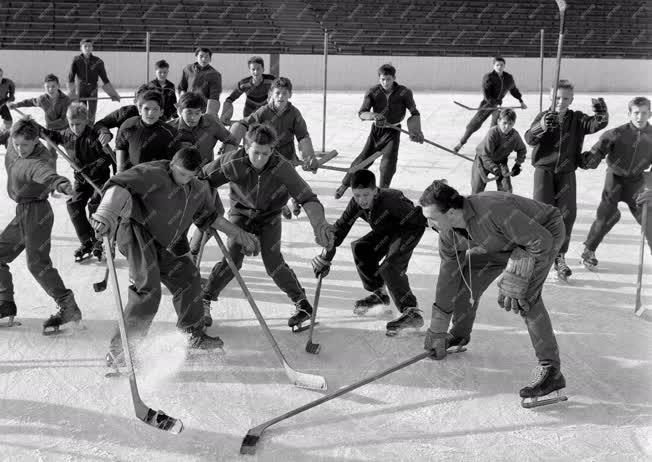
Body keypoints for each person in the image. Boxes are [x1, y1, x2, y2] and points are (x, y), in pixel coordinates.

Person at [90, 147, 260, 365]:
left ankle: (193, 335)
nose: (184, 179)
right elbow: (119, 185)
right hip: (136, 231)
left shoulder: (197, 188)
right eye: (181, 173)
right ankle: (121, 349)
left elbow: (209, 217)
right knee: (148, 290)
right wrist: (106, 213)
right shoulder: (154, 172)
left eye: (190, 176)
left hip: (164, 240)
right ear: (172, 165)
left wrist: (239, 234)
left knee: (189, 278)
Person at [419, 180, 566, 405]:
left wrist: (519, 274)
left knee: (525, 297)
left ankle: (551, 371)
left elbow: (541, 240)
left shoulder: (492, 211)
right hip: (499, 242)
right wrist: (437, 329)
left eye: (432, 218)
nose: (429, 224)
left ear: (450, 212)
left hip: (542, 235)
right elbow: (448, 277)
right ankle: (458, 333)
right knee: (465, 280)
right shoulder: (448, 234)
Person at [201, 123, 334, 330]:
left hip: (270, 216)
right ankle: (204, 299)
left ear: (273, 150)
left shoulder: (282, 167)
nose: (260, 159)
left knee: (273, 262)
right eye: (256, 153)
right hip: (240, 213)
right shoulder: (233, 161)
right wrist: (208, 212)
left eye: (266, 153)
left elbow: (307, 197)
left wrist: (319, 224)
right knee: (232, 258)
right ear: (246, 147)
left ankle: (302, 304)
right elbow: (202, 179)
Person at [311, 169, 427, 335]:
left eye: (366, 194)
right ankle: (380, 294)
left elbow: (421, 217)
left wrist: (452, 231)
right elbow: (339, 231)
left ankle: (411, 312)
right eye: (357, 195)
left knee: (389, 267)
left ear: (375, 190)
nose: (361, 200)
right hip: (386, 231)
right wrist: (325, 257)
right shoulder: (356, 204)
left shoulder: (392, 200)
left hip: (408, 231)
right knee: (361, 248)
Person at [0, 117, 83, 333]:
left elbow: (47, 174)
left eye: (25, 145)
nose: (20, 149)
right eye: (17, 144)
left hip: (37, 213)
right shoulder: (13, 142)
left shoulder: (38, 160)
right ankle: (4, 303)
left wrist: (61, 184)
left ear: (36, 141)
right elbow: (8, 138)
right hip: (23, 211)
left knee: (37, 263)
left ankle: (68, 306)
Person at [524, 79, 609, 281]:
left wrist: (601, 112)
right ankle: (538, 254)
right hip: (544, 171)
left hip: (566, 172)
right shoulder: (544, 116)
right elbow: (529, 139)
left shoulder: (577, 119)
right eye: (557, 98)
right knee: (542, 213)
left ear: (571, 100)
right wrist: (542, 126)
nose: (561, 102)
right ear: (551, 97)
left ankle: (560, 256)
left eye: (566, 98)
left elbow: (596, 124)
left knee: (566, 215)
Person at [229, 77, 319, 219]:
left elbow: (303, 136)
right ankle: (281, 205)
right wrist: (232, 141)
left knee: (289, 181)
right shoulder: (263, 111)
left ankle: (294, 200)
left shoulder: (294, 113)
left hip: (288, 154)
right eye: (277, 93)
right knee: (271, 184)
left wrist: (308, 157)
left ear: (290, 94)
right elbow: (244, 124)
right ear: (271, 94)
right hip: (268, 155)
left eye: (284, 93)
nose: (281, 96)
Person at [580, 96, 652, 268]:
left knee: (649, 218)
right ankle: (589, 250)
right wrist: (591, 159)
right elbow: (598, 151)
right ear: (629, 114)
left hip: (637, 182)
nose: (639, 117)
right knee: (606, 214)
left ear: (650, 113)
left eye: (644, 113)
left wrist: (650, 186)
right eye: (636, 113)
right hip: (615, 179)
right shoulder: (617, 133)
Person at [334, 63, 423, 200]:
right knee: (362, 160)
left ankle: (382, 192)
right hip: (377, 131)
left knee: (388, 163)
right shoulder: (373, 91)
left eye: (388, 79)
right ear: (378, 78)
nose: (385, 82)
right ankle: (345, 184)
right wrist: (373, 116)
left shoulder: (404, 92)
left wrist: (415, 130)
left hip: (393, 131)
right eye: (382, 79)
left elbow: (414, 112)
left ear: (394, 78)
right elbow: (362, 113)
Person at [169, 91, 239, 261]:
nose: (193, 117)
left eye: (197, 113)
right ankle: (177, 262)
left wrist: (225, 159)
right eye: (189, 112)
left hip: (206, 180)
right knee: (181, 225)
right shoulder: (169, 129)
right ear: (179, 109)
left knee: (215, 216)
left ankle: (193, 252)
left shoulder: (211, 122)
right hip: (180, 184)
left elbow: (231, 140)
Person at [43, 103, 114, 262]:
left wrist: (90, 168)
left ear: (86, 121)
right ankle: (87, 241)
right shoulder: (66, 135)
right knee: (73, 204)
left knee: (94, 205)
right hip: (81, 180)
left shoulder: (93, 137)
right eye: (71, 124)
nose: (74, 127)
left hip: (99, 180)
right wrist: (35, 127)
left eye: (78, 124)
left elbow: (107, 157)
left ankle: (99, 239)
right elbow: (48, 134)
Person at [453, 57, 526, 152]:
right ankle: (461, 143)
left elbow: (514, 90)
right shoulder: (488, 77)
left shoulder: (508, 78)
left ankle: (488, 147)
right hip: (487, 104)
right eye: (497, 65)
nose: (499, 67)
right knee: (474, 124)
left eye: (502, 65)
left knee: (494, 127)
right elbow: (487, 94)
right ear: (494, 66)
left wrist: (521, 101)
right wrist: (494, 104)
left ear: (504, 66)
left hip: (498, 106)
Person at [114, 90, 179, 172]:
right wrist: (120, 170)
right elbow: (120, 147)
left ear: (161, 112)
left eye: (155, 109)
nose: (150, 113)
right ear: (139, 110)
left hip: (158, 177)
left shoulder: (170, 133)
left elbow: (175, 163)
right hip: (131, 177)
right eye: (146, 109)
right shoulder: (129, 125)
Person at [471, 108, 527, 194]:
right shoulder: (492, 133)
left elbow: (522, 149)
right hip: (482, 160)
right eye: (504, 123)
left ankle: (504, 205)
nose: (507, 127)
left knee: (506, 190)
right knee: (477, 189)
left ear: (513, 124)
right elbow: (485, 155)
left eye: (510, 124)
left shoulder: (514, 136)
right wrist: (494, 168)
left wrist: (517, 165)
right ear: (498, 121)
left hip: (500, 161)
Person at [67, 39, 120, 124]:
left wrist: (113, 94)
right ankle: (82, 128)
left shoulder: (98, 61)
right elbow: (71, 77)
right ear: (81, 48)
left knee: (92, 113)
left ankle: (90, 129)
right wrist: (71, 93)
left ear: (92, 48)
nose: (87, 48)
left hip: (93, 89)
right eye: (85, 46)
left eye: (90, 46)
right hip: (81, 89)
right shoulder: (76, 60)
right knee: (81, 112)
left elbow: (104, 79)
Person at [220, 56, 275, 125]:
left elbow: (282, 90)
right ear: (250, 70)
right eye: (253, 69)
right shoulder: (244, 84)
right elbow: (229, 99)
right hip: (249, 115)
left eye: (258, 69)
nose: (256, 72)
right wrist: (224, 115)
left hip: (265, 115)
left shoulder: (271, 80)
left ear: (263, 69)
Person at [178, 47, 222, 115]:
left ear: (210, 59)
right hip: (187, 107)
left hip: (202, 109)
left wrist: (209, 114)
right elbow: (181, 87)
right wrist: (182, 103)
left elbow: (214, 97)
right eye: (201, 56)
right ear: (196, 57)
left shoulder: (215, 75)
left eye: (207, 57)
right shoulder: (187, 69)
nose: (204, 59)